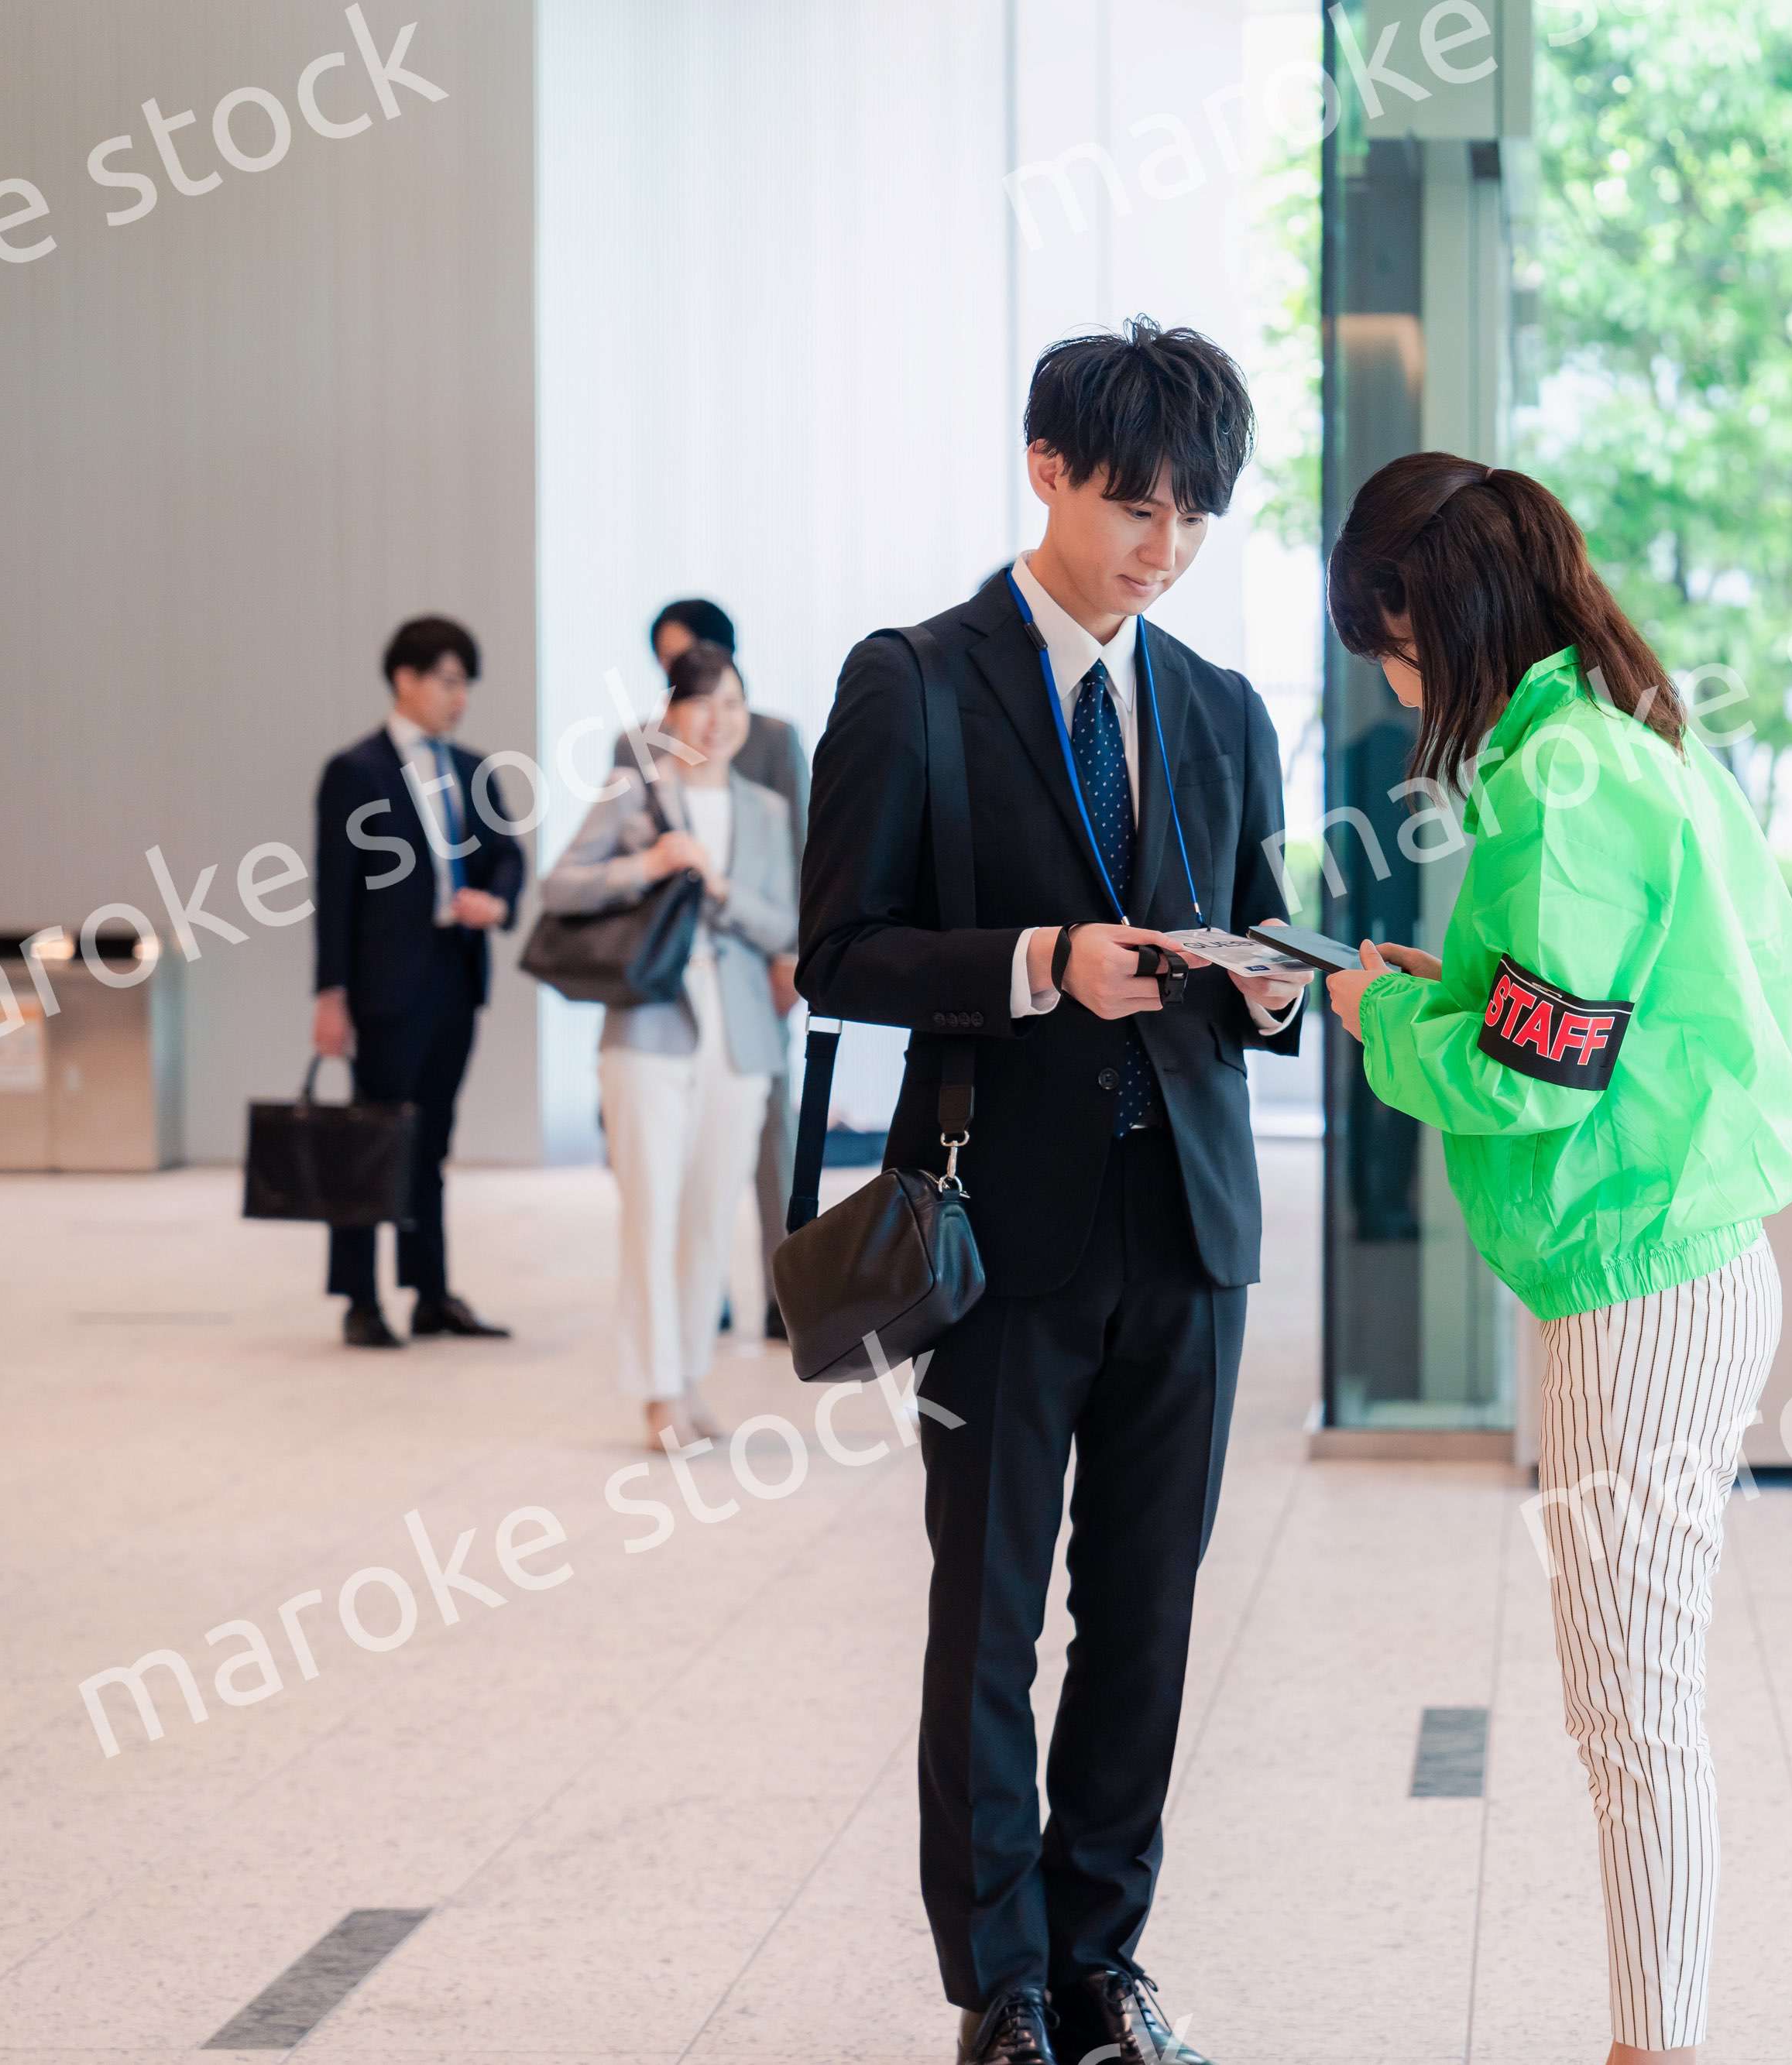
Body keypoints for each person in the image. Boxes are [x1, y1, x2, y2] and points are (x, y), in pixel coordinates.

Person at [798, 318, 1307, 2065]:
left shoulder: (1223, 710)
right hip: (997, 1227)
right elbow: (841, 952)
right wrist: (1035, 961)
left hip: (1189, 1228)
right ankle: (998, 1985)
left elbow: (1251, 919)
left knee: (1149, 1620)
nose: (1159, 549)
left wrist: (1272, 985)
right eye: (1132, 505)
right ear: (1044, 467)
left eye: (1193, 518)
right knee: (989, 1617)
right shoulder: (916, 682)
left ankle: (1103, 1959)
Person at [1320, 454, 1792, 2065]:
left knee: (1626, 1702)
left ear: (1436, 617)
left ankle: (1653, 2046)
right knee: (1635, 1690)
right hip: (1671, 1259)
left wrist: (1375, 1012)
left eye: (1388, 646)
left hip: (1637, 1288)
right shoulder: (1625, 746)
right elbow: (1581, 1010)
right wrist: (1438, 984)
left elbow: (1536, 1070)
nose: (1395, 683)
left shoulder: (1560, 783)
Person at [543, 643, 798, 1449]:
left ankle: (688, 1381)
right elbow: (560, 887)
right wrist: (649, 863)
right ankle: (655, 1395)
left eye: (732, 704)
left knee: (707, 1219)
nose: (718, 720)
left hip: (737, 1034)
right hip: (648, 1025)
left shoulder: (765, 809)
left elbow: (784, 924)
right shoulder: (634, 793)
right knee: (649, 1213)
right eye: (702, 703)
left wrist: (719, 892)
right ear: (669, 715)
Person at [311, 615, 527, 1350]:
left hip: (455, 975)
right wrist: (330, 995)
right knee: (374, 1136)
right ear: (405, 680)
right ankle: (361, 1297)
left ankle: (431, 1293)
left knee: (432, 1141)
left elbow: (507, 858)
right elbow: (335, 893)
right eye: (448, 680)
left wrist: (496, 902)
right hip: (384, 984)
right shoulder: (357, 771)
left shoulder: (474, 769)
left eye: (465, 682)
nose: (460, 696)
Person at [647, 597, 810, 1341]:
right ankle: (696, 1288)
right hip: (667, 975)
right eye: (671, 663)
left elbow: (802, 856)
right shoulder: (642, 747)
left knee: (771, 1132)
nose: (682, 674)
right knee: (673, 1140)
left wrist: (791, 959)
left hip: (757, 965)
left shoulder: (773, 739)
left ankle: (787, 1291)